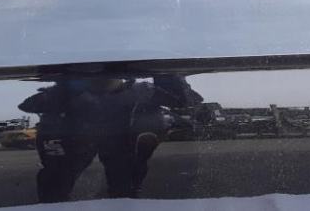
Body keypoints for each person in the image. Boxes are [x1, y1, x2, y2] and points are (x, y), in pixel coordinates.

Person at [18, 75, 201, 201]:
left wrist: (164, 74)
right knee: (57, 185)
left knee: (124, 186)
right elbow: (28, 105)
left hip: (119, 148)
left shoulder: (141, 92)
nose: (101, 77)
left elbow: (186, 99)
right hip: (80, 146)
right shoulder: (67, 95)